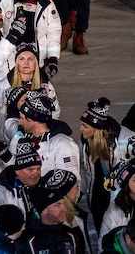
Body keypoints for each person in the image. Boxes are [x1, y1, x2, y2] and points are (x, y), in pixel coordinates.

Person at [80, 97, 135, 233]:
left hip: (123, 203)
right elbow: (86, 174)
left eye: (85, 126)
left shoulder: (127, 140)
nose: (80, 129)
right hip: (98, 200)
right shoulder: (86, 142)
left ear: (97, 128)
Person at [16, 169, 80, 253]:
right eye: (58, 205)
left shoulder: (70, 235)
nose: (64, 209)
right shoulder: (26, 242)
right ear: (43, 210)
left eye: (63, 203)